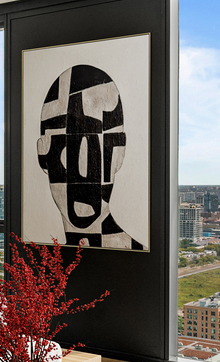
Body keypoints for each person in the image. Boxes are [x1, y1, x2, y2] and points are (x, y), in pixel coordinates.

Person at [36, 64, 144, 250]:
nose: (83, 172)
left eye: (95, 151)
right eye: (66, 150)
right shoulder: (41, 257)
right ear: (42, 154)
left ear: (119, 154)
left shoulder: (137, 257)